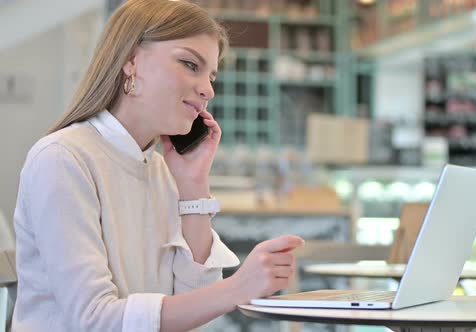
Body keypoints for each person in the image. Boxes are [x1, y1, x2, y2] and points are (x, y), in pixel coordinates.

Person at [11, 0, 304, 331]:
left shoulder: (160, 170)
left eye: (211, 75)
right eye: (190, 64)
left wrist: (193, 185)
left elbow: (196, 315)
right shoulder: (62, 159)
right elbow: (93, 321)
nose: (208, 89)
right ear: (130, 60)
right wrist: (237, 287)